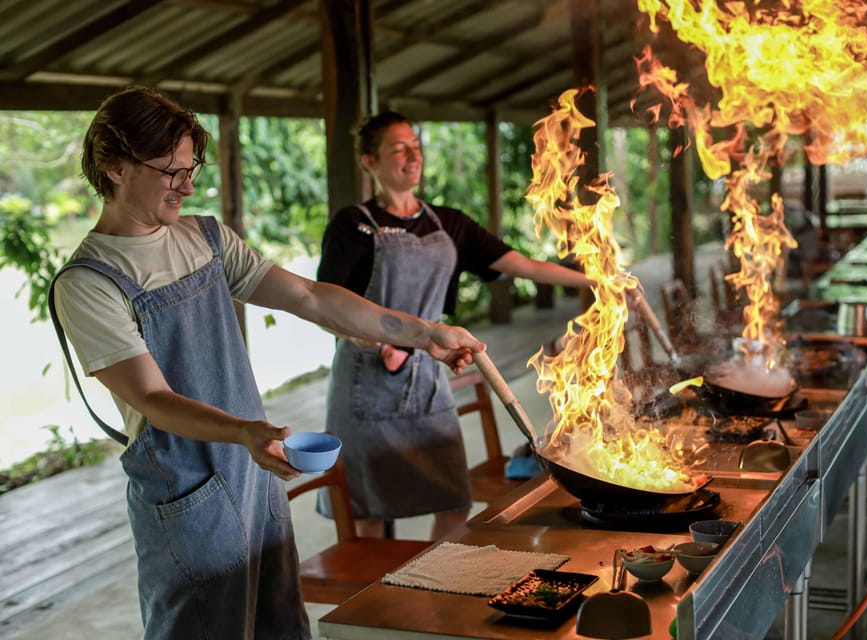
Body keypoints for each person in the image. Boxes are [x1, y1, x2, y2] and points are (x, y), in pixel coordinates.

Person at [48, 88, 483, 640]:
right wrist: (244, 432)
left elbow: (310, 297)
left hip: (255, 471)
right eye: (169, 171)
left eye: (191, 168)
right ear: (114, 168)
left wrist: (427, 334)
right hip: (187, 489)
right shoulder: (89, 282)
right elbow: (153, 400)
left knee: (282, 625)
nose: (186, 184)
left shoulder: (205, 238)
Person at [316, 110, 645, 540]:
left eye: (415, 147)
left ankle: (431, 590)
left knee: (453, 501)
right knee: (367, 514)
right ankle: (379, 603)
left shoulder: (449, 224)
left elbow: (523, 265)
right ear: (369, 162)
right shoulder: (352, 225)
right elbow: (326, 308)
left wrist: (598, 278)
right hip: (366, 387)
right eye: (398, 150)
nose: (411, 156)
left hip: (429, 380)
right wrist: (377, 341)